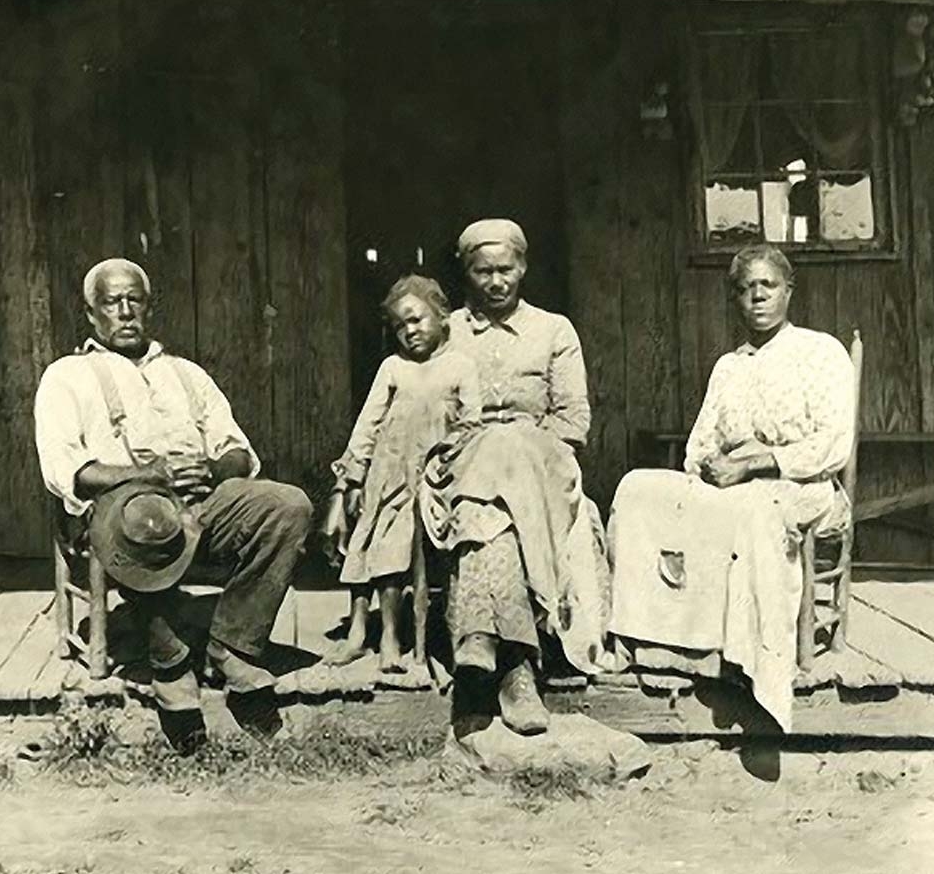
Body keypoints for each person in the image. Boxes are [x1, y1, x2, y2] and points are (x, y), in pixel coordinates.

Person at [34, 258, 312, 750]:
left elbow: (237, 450)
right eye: (111, 303)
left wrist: (210, 472)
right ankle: (170, 661)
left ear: (149, 307)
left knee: (287, 506)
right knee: (147, 516)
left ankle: (232, 645)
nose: (124, 312)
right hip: (120, 518)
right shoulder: (67, 376)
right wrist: (148, 476)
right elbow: (67, 471)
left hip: (199, 506)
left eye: (133, 301)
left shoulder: (185, 374)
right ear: (90, 314)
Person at [607, 244, 854, 732]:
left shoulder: (820, 351)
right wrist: (713, 466)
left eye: (768, 286)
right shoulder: (729, 366)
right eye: (745, 289)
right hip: (733, 483)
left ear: (789, 290)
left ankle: (758, 669)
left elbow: (833, 445)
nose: (757, 297)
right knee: (638, 489)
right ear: (734, 300)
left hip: (801, 483)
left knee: (758, 509)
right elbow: (700, 444)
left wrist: (757, 463)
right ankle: (656, 634)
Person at [420, 219, 610, 737]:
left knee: (504, 458)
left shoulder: (554, 331)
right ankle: (518, 670)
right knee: (490, 503)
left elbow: (574, 421)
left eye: (506, 269)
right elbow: (423, 407)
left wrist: (516, 440)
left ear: (523, 267)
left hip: (541, 462)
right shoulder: (446, 331)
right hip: (461, 464)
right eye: (484, 272)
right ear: (466, 273)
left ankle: (479, 639)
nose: (496, 281)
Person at [321, 274, 480, 673]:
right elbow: (367, 426)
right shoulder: (393, 368)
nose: (408, 332)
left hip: (436, 480)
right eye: (398, 326)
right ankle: (361, 633)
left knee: (400, 556)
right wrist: (351, 479)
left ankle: (396, 636)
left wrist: (449, 463)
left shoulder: (460, 366)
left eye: (416, 320)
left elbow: (473, 422)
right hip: (387, 477)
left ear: (442, 316)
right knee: (368, 549)